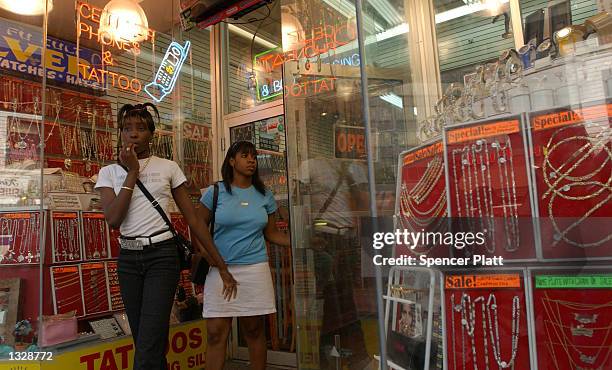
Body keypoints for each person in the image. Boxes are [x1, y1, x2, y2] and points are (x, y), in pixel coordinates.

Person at [95, 103, 237, 370]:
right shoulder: (109, 172)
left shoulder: (168, 167)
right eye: (127, 129)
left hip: (161, 257)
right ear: (120, 134)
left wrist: (218, 261)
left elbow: (193, 219)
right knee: (147, 340)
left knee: (149, 341)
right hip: (128, 260)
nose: (133, 134)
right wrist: (132, 172)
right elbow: (114, 219)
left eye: (140, 128)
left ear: (152, 134)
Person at [199, 140, 290, 370]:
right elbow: (197, 228)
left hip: (255, 269)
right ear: (231, 160)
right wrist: (208, 257)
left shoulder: (264, 195)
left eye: (254, 156)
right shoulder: (215, 192)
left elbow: (272, 233)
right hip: (220, 270)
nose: (251, 160)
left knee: (254, 330)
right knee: (216, 334)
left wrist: (301, 241)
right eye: (244, 155)